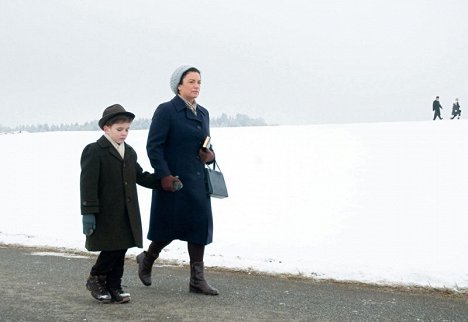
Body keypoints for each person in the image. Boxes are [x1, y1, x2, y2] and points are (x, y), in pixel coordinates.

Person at [136, 65, 219, 295]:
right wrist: (163, 175)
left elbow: (207, 144)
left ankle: (196, 281)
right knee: (167, 228)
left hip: (198, 181)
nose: (196, 86)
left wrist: (210, 156)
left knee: (199, 227)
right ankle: (147, 259)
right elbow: (154, 146)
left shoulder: (203, 113)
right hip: (174, 181)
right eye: (191, 81)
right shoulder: (166, 111)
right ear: (179, 85)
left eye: (199, 82)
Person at [80, 104, 160, 303]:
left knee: (122, 248)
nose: (124, 133)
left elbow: (139, 176)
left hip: (127, 212)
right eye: (119, 129)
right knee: (111, 249)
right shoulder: (95, 150)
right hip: (106, 212)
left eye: (127, 129)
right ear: (106, 128)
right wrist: (88, 213)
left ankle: (114, 285)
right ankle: (96, 278)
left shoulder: (129, 152)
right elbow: (88, 185)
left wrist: (163, 181)